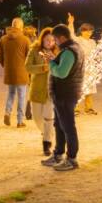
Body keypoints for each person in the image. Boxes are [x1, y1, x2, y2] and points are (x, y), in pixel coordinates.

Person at [42, 24, 83, 171]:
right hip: (65, 93)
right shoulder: (73, 48)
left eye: (56, 40)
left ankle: (71, 159)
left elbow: (61, 72)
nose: (55, 43)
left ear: (62, 38)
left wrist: (51, 63)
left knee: (67, 127)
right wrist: (54, 59)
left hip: (65, 93)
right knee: (59, 125)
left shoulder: (68, 52)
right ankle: (58, 154)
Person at [24, 27, 56, 156]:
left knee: (49, 118)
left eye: (52, 40)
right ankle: (47, 133)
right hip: (37, 88)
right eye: (47, 39)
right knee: (37, 117)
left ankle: (46, 143)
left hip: (51, 90)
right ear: (42, 39)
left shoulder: (58, 52)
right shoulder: (34, 50)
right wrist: (43, 67)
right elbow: (28, 67)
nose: (50, 42)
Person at [0, 18, 30, 127]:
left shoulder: (3, 39)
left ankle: (7, 112)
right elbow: (29, 57)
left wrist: (5, 66)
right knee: (21, 96)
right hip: (22, 72)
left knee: (10, 94)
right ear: (21, 27)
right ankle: (20, 121)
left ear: (12, 25)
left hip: (9, 71)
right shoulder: (25, 40)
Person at [67, 15, 98, 116]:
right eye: (87, 31)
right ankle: (75, 108)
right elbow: (70, 35)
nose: (89, 33)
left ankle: (88, 108)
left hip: (90, 67)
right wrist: (71, 23)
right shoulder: (78, 40)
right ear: (82, 31)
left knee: (90, 88)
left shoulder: (93, 42)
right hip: (80, 66)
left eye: (90, 31)